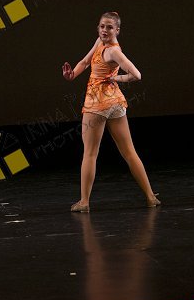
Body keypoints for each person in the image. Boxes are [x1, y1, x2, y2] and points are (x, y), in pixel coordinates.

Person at [62, 11, 160, 212]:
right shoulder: (100, 42)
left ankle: (84, 202)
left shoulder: (113, 51)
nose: (104, 30)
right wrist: (73, 75)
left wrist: (117, 78)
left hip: (97, 104)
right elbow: (85, 62)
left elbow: (136, 75)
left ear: (117, 30)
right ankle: (150, 197)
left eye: (109, 27)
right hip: (115, 103)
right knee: (129, 152)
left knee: (90, 154)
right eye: (101, 26)